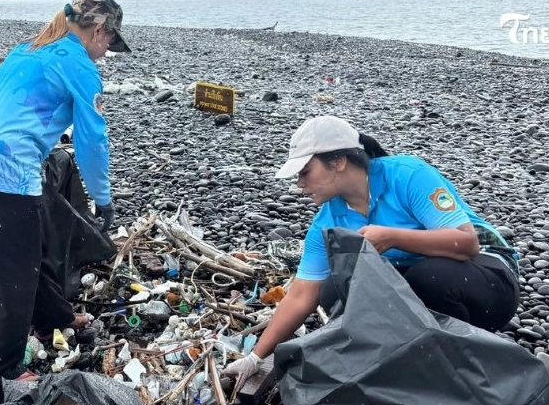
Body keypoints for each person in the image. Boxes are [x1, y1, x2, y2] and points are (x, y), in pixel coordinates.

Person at [223, 115, 521, 385]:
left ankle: (460, 363)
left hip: (489, 283)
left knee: (427, 276)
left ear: (338, 161)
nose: (299, 184)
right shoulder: (328, 220)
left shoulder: (407, 176)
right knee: (333, 289)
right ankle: (420, 360)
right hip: (428, 289)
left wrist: (392, 237)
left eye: (305, 172)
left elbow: (467, 243)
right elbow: (302, 295)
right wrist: (255, 358)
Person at [0, 0, 131, 381]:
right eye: (108, 43)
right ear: (99, 31)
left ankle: (57, 316)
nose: (105, 53)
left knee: (28, 245)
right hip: (6, 161)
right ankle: (4, 366)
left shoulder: (30, 48)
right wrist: (103, 199)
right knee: (19, 267)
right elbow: (91, 140)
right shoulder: (79, 66)